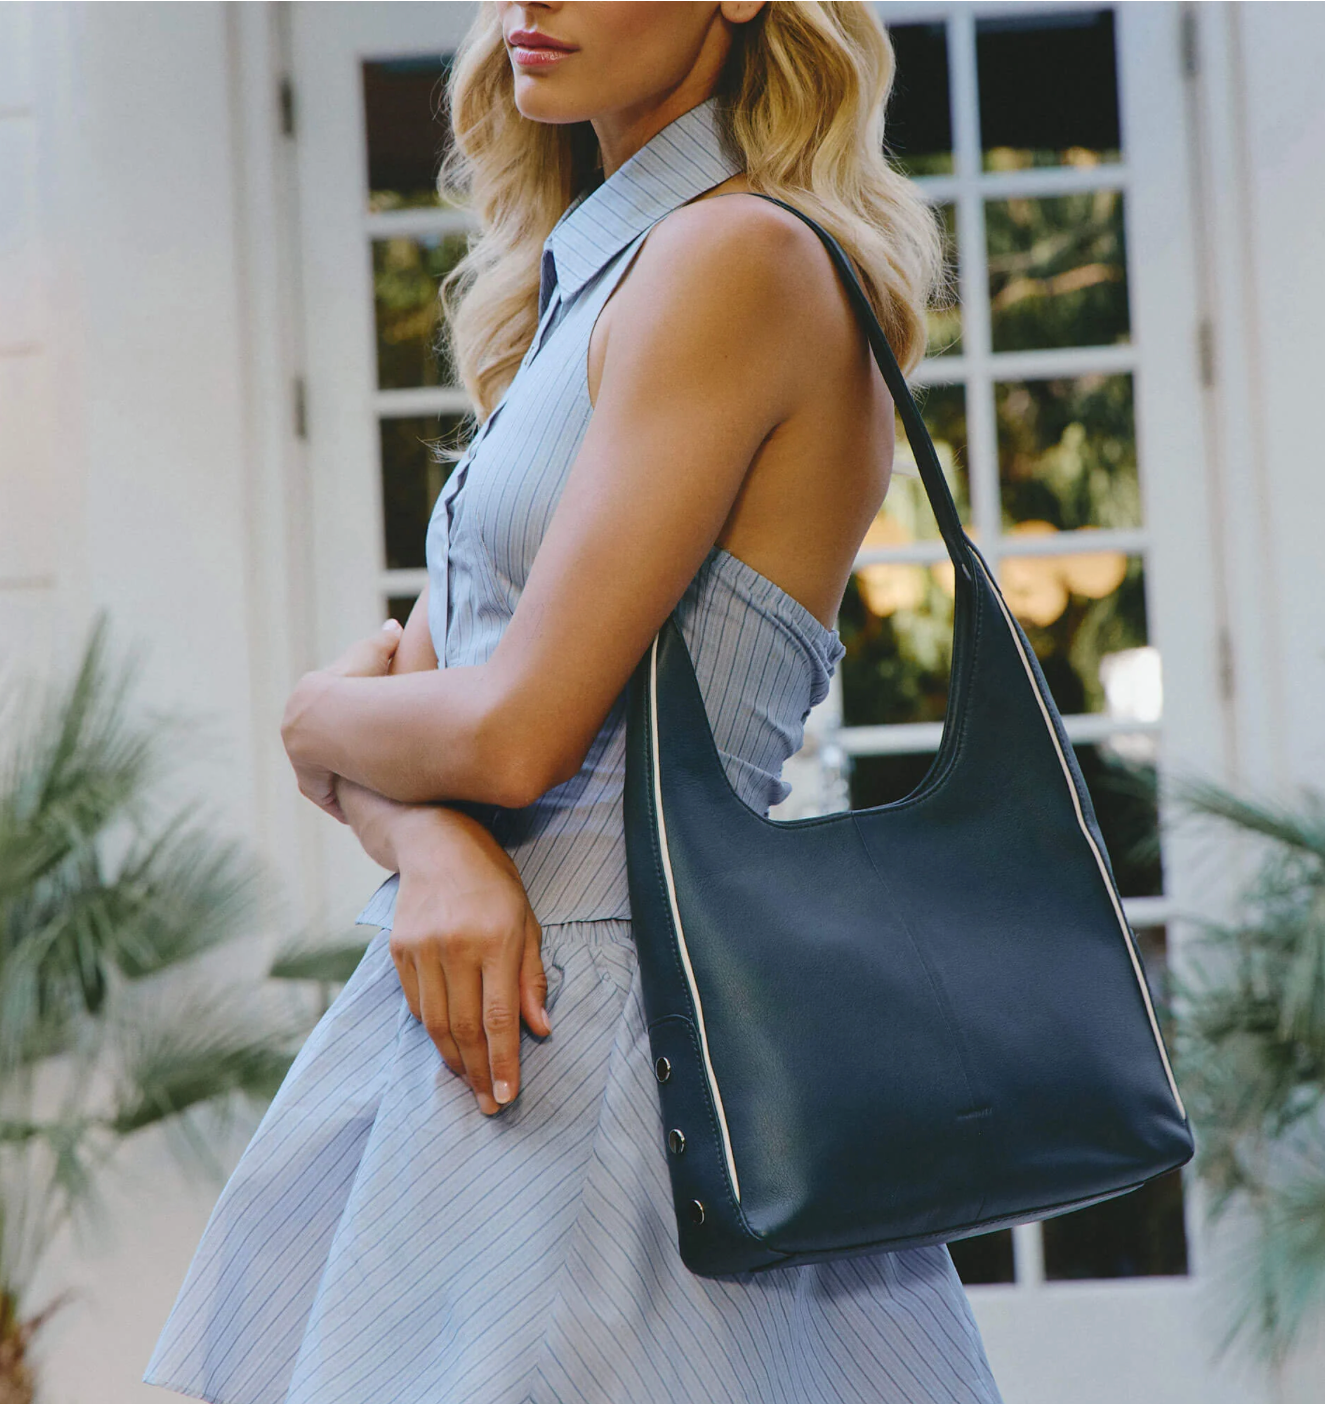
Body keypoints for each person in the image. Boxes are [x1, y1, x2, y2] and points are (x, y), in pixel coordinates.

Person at [143, 4, 1005, 1401]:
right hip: (487, 1024)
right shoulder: (603, 282)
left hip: (608, 1062)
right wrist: (435, 850)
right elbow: (438, 718)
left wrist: (312, 721)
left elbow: (504, 729)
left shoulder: (737, 258)